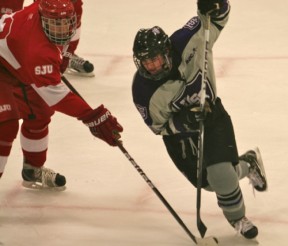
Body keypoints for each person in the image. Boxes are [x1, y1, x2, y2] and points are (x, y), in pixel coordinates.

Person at [131, 0, 267, 240]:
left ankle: (238, 218)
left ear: (167, 51)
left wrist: (215, 4)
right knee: (209, 184)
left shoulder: (188, 39)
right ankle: (247, 164)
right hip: (180, 138)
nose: (152, 66)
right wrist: (184, 122)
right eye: (146, 61)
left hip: (212, 117)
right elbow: (158, 127)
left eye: (156, 59)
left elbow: (216, 18)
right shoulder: (143, 91)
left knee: (221, 177)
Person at [0, 0, 123, 190]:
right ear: (42, 19)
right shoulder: (37, 51)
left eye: (66, 23)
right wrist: (92, 117)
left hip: (15, 63)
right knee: (5, 125)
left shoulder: (50, 8)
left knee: (40, 112)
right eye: (55, 24)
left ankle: (33, 170)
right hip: (7, 66)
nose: (62, 29)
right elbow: (57, 97)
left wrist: (66, 55)